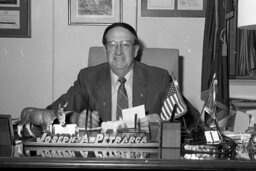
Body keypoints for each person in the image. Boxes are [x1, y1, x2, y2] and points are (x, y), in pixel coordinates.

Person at [46, 22, 196, 129]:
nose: (118, 52)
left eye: (125, 44)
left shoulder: (159, 77)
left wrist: (163, 123)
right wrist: (75, 118)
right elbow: (54, 111)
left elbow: (191, 120)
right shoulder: (88, 78)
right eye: (112, 45)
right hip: (101, 157)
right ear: (105, 50)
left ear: (135, 50)